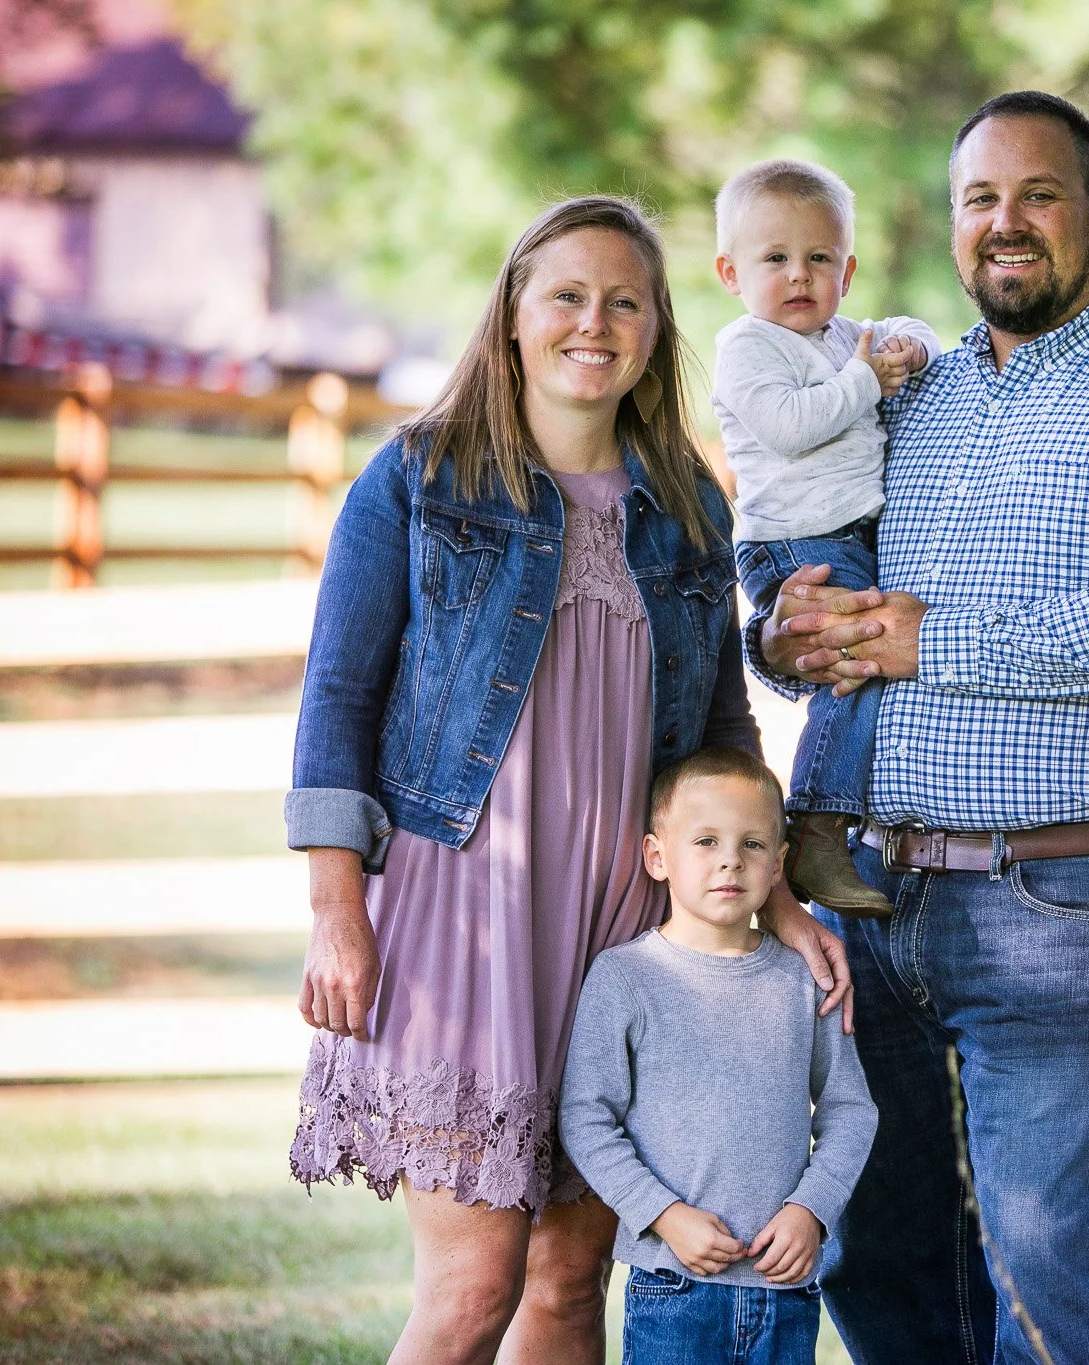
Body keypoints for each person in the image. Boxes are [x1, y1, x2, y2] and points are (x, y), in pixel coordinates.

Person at [751, 93, 1089, 1363]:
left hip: (1054, 896)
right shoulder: (906, 399)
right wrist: (787, 636)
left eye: (1036, 195)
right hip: (865, 896)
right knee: (876, 1251)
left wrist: (935, 638)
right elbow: (832, 603)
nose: (1004, 224)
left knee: (1036, 1254)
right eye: (977, 200)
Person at [282, 194, 850, 1365]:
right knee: (475, 1287)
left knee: (571, 1278)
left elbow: (720, 729)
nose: (595, 323)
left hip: (628, 934)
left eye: (624, 301)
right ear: (512, 317)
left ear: (655, 328)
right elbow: (336, 703)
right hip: (463, 927)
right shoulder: (420, 481)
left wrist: (777, 895)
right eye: (567, 296)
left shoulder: (683, 508)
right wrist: (338, 914)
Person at [559, 747, 877, 1364]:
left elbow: (850, 1110)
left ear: (779, 864)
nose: (731, 858)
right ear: (658, 857)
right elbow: (586, 1118)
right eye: (705, 840)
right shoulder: (626, 977)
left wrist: (810, 1211)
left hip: (785, 1288)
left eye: (753, 844)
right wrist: (664, 1215)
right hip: (674, 1282)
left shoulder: (802, 978)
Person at [710, 157, 940, 918]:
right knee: (856, 664)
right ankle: (815, 823)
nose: (798, 276)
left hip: (851, 534)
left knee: (869, 659)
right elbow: (789, 424)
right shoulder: (748, 347)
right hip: (794, 541)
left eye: (820, 259)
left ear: (848, 268)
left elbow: (897, 333)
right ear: (730, 272)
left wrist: (911, 342)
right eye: (774, 259)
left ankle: (838, 818)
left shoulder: (849, 337)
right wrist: (870, 378)